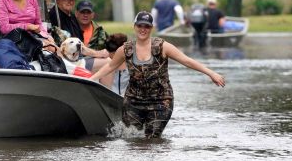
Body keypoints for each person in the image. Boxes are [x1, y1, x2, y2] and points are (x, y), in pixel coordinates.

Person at [90, 11, 225, 138]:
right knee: (130, 139)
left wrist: (211, 73)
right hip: (134, 101)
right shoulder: (125, 49)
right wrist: (90, 79)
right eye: (140, 25)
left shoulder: (162, 47)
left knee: (152, 139)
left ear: (151, 28)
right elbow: (110, 66)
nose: (143, 29)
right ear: (134, 26)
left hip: (160, 101)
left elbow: (186, 60)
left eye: (147, 26)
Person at [74, 0, 110, 70]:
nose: (85, 15)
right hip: (74, 64)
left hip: (95, 66)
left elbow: (110, 50)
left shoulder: (100, 31)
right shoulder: (70, 28)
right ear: (76, 14)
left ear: (93, 15)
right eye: (82, 12)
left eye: (88, 12)